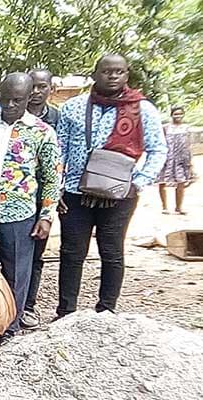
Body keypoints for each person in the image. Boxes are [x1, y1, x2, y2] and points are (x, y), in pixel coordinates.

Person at [56, 54, 167, 318]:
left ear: (127, 75)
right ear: (95, 74)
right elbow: (59, 149)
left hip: (120, 195)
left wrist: (137, 183)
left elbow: (157, 150)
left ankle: (106, 310)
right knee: (72, 253)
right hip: (75, 193)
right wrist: (57, 188)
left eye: (119, 71)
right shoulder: (73, 107)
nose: (113, 76)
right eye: (107, 71)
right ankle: (66, 312)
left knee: (111, 251)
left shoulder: (143, 109)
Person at [0, 73, 61, 341]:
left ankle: (8, 329)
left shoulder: (42, 132)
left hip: (19, 214)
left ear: (29, 97)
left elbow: (51, 176)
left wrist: (46, 216)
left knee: (16, 274)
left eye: (18, 100)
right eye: (5, 99)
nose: (10, 105)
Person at [21, 68, 61, 329]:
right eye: (31, 87)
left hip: (41, 196)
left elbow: (61, 158)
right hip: (13, 196)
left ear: (51, 89)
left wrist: (54, 199)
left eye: (42, 86)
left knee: (35, 255)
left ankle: (28, 306)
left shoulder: (57, 118)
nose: (36, 92)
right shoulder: (3, 118)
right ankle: (0, 307)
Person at [157, 106, 193, 214]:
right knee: (162, 182)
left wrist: (190, 162)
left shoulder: (186, 128)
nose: (178, 116)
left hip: (181, 158)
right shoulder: (166, 128)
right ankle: (164, 207)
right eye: (176, 114)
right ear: (171, 115)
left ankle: (179, 207)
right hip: (167, 157)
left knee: (181, 182)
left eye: (180, 114)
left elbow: (188, 144)